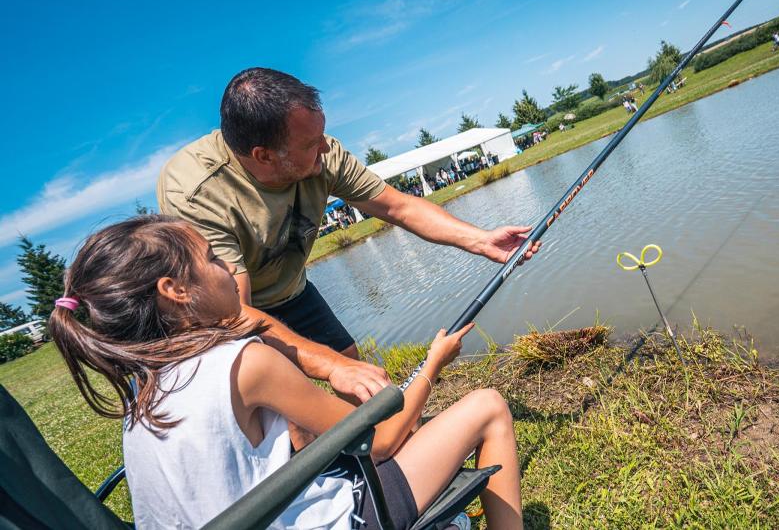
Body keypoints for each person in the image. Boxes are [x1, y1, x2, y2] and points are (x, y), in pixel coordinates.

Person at [48, 215, 523, 530]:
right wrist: (432, 367)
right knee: (488, 407)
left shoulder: (142, 389)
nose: (229, 269)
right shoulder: (246, 362)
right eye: (213, 259)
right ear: (174, 290)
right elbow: (379, 442)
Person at [157, 68, 541, 404]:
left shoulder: (324, 154)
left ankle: (386, 451)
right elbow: (235, 312)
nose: (326, 147)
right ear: (264, 156)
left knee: (352, 361)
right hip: (227, 308)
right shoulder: (196, 191)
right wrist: (329, 367)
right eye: (310, 144)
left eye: (322, 134)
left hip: (289, 288)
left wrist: (480, 240)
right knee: (286, 400)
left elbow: (398, 207)